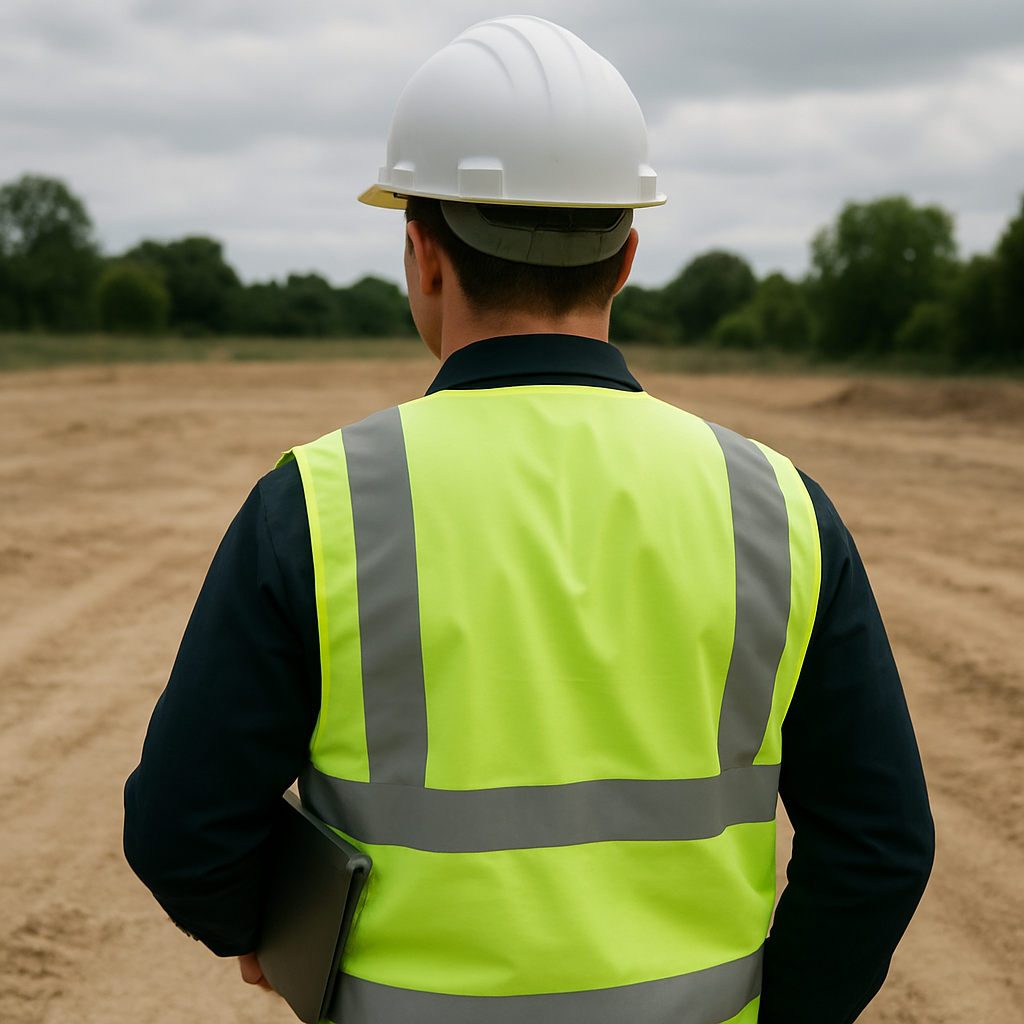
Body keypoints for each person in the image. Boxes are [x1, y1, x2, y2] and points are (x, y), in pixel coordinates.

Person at [123, 15, 933, 1024]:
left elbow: (181, 830)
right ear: (627, 254)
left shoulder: (317, 502)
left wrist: (270, 923)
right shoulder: (778, 506)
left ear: (422, 254)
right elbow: (881, 842)